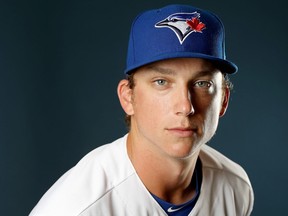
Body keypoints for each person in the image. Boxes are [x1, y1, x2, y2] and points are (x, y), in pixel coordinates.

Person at [29, 4, 254, 216]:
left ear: (223, 100)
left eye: (202, 84)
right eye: (161, 82)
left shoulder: (235, 187)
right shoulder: (76, 208)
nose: (186, 107)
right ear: (128, 97)